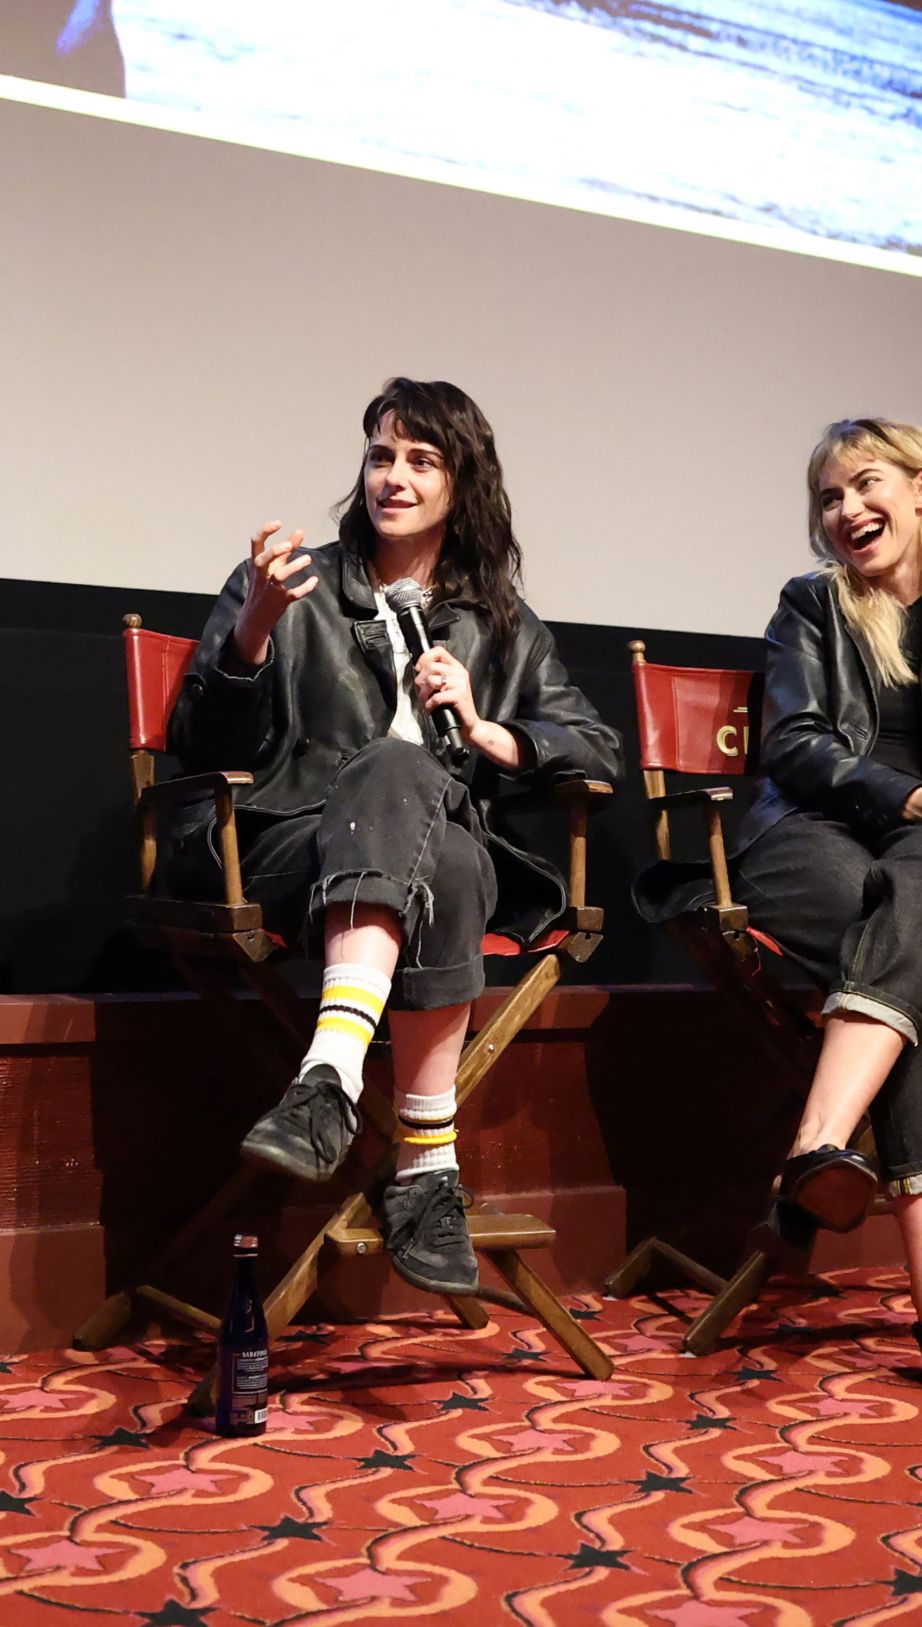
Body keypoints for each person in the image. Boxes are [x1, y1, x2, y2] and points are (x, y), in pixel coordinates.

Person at [168, 376, 622, 1299]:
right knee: (393, 771)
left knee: (449, 847)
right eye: (382, 456)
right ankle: (427, 1165)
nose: (395, 478)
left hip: (435, 867)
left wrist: (493, 730)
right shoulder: (289, 589)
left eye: (422, 460)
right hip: (292, 850)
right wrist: (254, 630)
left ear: (464, 484)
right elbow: (198, 742)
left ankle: (328, 1083)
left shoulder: (499, 620)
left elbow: (597, 747)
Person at [655, 417, 922, 1406]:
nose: (844, 511)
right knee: (921, 962)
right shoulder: (810, 606)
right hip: (810, 837)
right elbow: (793, 747)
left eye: (863, 485)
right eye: (828, 497)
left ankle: (810, 1152)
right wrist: (917, 797)